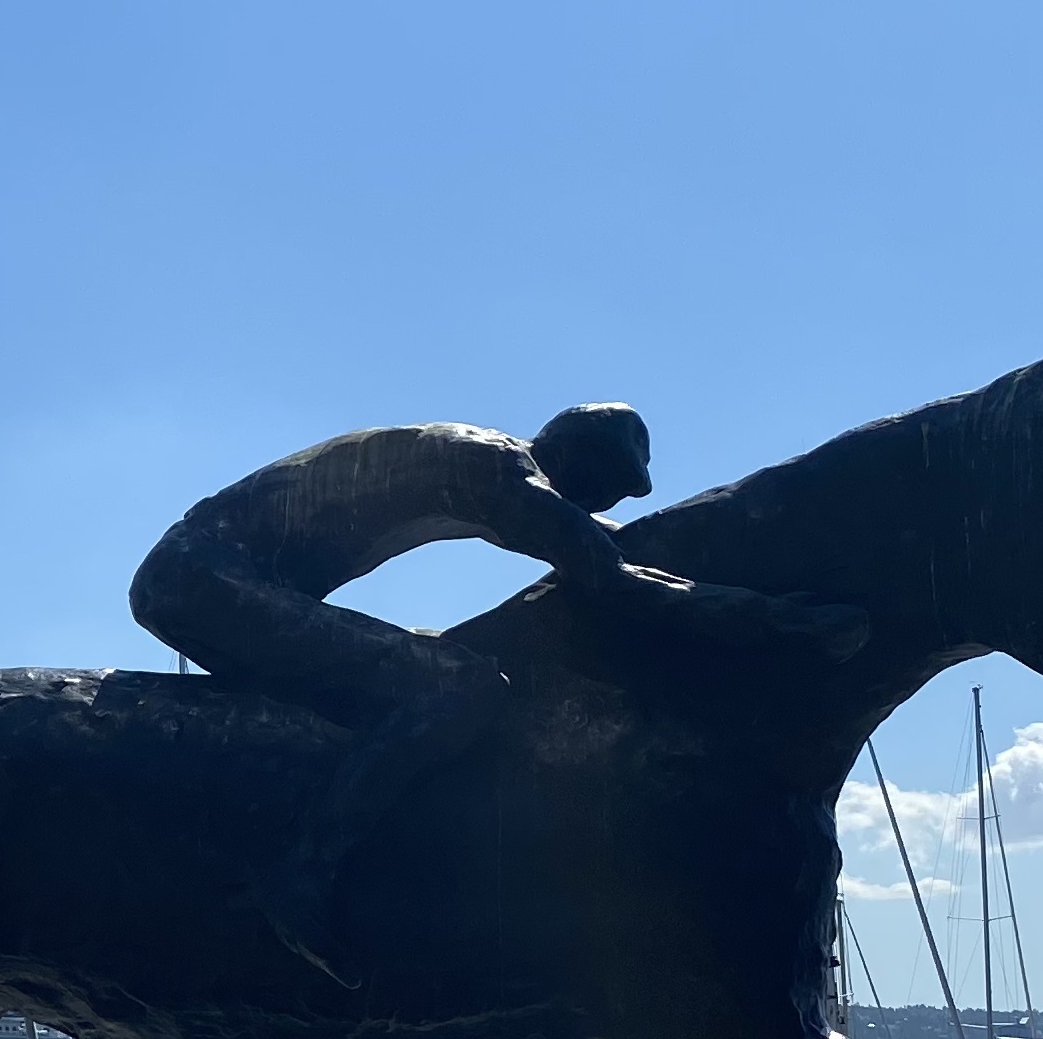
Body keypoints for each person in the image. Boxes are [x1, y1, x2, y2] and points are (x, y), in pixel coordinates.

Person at [132, 403, 850, 983]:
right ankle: (305, 867)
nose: (602, 503)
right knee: (461, 686)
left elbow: (593, 542)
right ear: (575, 459)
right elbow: (611, 578)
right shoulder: (497, 469)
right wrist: (780, 622)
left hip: (208, 574)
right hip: (204, 583)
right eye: (608, 486)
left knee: (431, 662)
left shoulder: (482, 462)